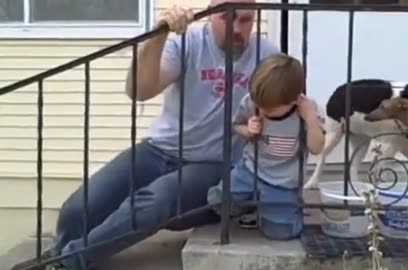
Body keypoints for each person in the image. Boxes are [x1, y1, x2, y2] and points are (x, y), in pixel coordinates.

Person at [14, 1, 280, 270]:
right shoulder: (186, 43)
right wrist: (158, 36)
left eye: (245, 20)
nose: (237, 28)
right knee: (76, 211)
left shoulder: (265, 56)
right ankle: (59, 257)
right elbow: (139, 90)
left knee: (155, 201)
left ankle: (66, 263)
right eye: (227, 18)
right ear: (210, 17)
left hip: (214, 165)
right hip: (158, 150)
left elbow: (285, 103)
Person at [207, 53, 326, 240]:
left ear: (293, 100)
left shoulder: (305, 111)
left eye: (270, 108)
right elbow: (237, 125)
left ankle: (289, 211)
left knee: (280, 232)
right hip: (250, 170)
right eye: (259, 104)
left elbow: (316, 148)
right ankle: (255, 208)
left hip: (283, 182)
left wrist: (310, 118)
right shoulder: (253, 101)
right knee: (217, 201)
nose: (262, 110)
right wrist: (248, 130)